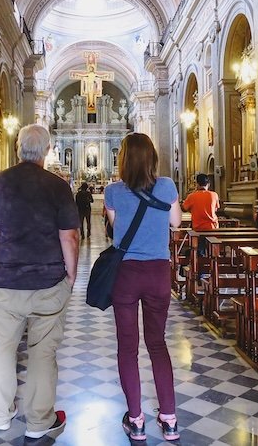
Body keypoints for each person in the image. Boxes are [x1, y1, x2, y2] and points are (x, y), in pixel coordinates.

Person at [0, 124, 79, 440]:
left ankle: (0, 414)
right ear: (48, 150)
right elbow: (70, 236)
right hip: (49, 281)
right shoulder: (58, 186)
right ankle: (38, 421)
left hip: (6, 280)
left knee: (2, 347)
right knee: (42, 352)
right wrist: (72, 273)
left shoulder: (0, 182)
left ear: (17, 148)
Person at [104, 133, 183, 442]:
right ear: (153, 158)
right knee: (158, 344)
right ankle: (170, 419)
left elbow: (114, 228)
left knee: (128, 346)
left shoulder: (112, 191)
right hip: (158, 273)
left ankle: (136, 420)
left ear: (122, 159)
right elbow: (176, 222)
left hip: (125, 274)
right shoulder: (166, 186)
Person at [182, 173, 220, 257]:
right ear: (208, 184)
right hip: (213, 228)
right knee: (212, 249)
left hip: (198, 229)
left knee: (199, 248)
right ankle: (214, 260)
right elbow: (216, 209)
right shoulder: (214, 195)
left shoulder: (192, 196)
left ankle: (200, 261)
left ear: (197, 184)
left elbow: (184, 208)